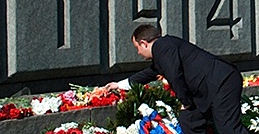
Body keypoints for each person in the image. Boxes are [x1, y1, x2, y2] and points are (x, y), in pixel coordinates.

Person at [105, 25, 248, 134]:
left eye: (137, 47)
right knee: (189, 121)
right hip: (208, 88)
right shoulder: (164, 50)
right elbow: (148, 74)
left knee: (228, 128)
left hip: (222, 82)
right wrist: (118, 85)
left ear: (144, 43)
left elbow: (174, 75)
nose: (138, 52)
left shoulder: (162, 47)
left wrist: (185, 101)